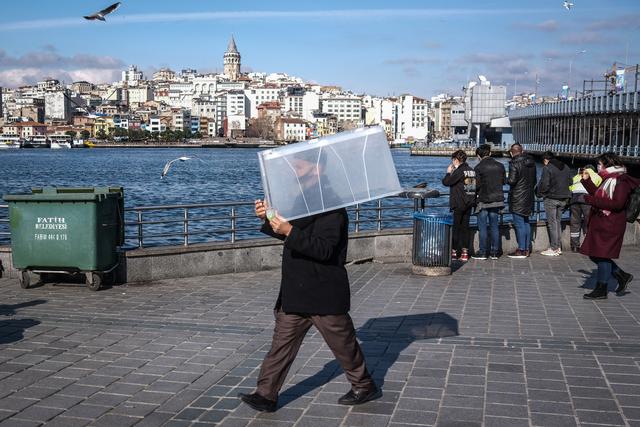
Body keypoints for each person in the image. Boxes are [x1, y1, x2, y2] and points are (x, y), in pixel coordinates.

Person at [238, 157, 379, 413]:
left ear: (317, 168)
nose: (295, 171)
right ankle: (266, 394)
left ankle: (364, 386)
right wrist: (268, 214)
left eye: (300, 166)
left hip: (323, 291)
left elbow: (324, 249)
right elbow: (285, 228)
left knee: (344, 344)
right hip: (297, 289)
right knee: (281, 345)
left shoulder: (332, 205)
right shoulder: (303, 199)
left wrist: (289, 231)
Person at [580, 152, 639, 299]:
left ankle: (602, 289)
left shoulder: (620, 180)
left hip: (610, 224)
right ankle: (621, 275)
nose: (598, 167)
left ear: (608, 164)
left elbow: (617, 204)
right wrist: (586, 182)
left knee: (601, 255)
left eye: (599, 164)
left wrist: (590, 200)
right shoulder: (609, 179)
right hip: (603, 222)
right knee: (595, 254)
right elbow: (600, 195)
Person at [472, 144, 505, 260]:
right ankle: (495, 252)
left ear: (478, 156)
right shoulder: (500, 166)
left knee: (483, 227)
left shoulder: (478, 168)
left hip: (483, 200)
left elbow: (476, 185)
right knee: (494, 226)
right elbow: (503, 181)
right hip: (497, 200)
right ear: (490, 153)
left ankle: (482, 252)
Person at [442, 150, 476, 262]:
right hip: (469, 203)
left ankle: (454, 252)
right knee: (465, 228)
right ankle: (465, 253)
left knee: (456, 228)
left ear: (456, 160)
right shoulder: (471, 171)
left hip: (459, 203)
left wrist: (448, 172)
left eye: (453, 160)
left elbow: (446, 182)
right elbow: (473, 187)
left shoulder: (459, 171)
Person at [536, 151, 572, 256]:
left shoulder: (547, 168)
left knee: (552, 223)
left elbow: (545, 184)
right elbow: (570, 182)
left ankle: (554, 248)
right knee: (557, 222)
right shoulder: (566, 167)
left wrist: (542, 194)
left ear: (546, 160)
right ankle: (558, 247)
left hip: (551, 198)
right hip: (564, 197)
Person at [506, 143, 537, 259]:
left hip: (518, 198)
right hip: (529, 197)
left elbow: (512, 181)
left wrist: (505, 179)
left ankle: (522, 250)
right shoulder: (532, 163)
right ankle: (527, 248)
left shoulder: (514, 163)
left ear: (511, 152)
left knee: (519, 224)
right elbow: (534, 181)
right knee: (526, 222)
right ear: (522, 151)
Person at [568, 164, 600, 252]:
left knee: (575, 222)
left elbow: (570, 188)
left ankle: (575, 246)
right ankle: (588, 245)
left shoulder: (577, 176)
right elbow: (598, 190)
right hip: (587, 200)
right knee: (589, 222)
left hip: (574, 199)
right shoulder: (597, 176)